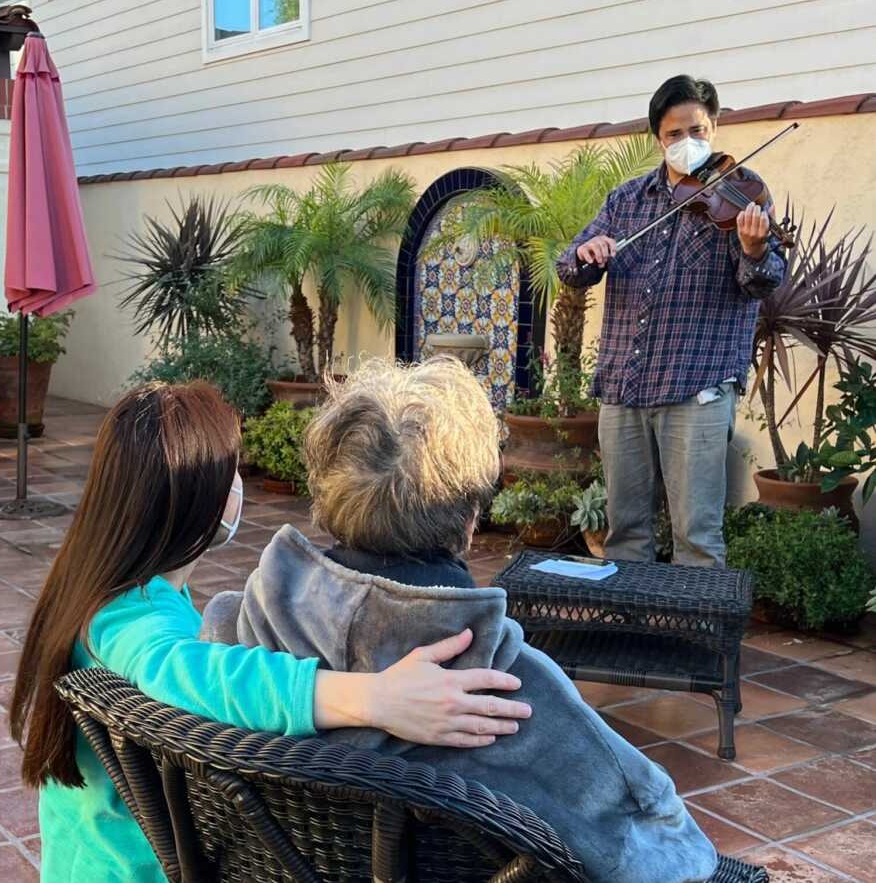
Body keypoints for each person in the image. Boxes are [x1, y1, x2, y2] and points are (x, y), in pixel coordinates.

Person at [202, 359, 718, 883]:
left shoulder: (230, 634)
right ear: (470, 518)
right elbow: (664, 855)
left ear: (327, 495)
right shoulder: (511, 688)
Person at [9, 381, 532, 883]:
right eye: (232, 472)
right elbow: (185, 671)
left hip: (87, 856)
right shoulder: (133, 614)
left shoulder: (103, 580)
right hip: (135, 869)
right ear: (200, 497)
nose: (240, 484)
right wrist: (372, 698)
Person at [556, 75, 787, 567]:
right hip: (625, 385)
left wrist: (753, 247)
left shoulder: (741, 196)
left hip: (696, 387)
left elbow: (765, 282)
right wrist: (587, 252)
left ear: (716, 127)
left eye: (698, 131)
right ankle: (630, 631)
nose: (687, 143)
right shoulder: (627, 200)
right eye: (674, 134)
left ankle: (692, 642)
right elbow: (570, 268)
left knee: (697, 536)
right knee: (625, 533)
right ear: (658, 138)